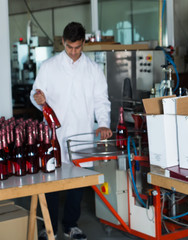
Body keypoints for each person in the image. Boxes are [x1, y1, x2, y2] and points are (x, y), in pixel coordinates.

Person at [30, 22, 113, 240]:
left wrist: (103, 123)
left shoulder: (93, 70)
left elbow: (101, 101)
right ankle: (47, 226)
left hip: (82, 135)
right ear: (63, 43)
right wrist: (38, 99)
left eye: (77, 47)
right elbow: (35, 94)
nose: (73, 52)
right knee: (52, 183)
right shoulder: (49, 66)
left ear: (83, 43)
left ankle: (70, 225)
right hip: (54, 136)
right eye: (69, 47)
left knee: (78, 184)